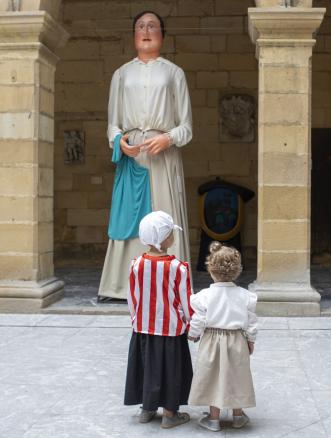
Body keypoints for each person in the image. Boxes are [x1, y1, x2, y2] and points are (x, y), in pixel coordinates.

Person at [98, 10, 193, 301]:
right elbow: (113, 123)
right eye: (141, 26)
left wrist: (167, 138)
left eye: (153, 26)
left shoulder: (174, 73)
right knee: (129, 217)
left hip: (163, 156)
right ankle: (121, 286)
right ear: (133, 36)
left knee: (164, 215)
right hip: (133, 155)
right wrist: (118, 140)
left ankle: (169, 285)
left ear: (162, 36)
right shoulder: (121, 74)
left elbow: (187, 127)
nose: (146, 30)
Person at [123, 211, 194, 429]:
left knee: (147, 367)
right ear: (165, 239)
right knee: (171, 370)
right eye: (171, 233)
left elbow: (132, 296)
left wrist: (135, 319)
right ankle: (170, 414)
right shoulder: (178, 268)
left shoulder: (136, 265)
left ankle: (147, 408)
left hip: (143, 329)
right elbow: (187, 299)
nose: (173, 236)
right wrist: (191, 324)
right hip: (171, 331)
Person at [187, 242, 258, 432]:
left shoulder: (204, 296)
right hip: (237, 340)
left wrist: (193, 335)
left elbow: (199, 319)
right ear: (237, 271)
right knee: (237, 376)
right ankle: (237, 416)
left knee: (212, 377)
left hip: (211, 341)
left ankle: (214, 419)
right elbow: (251, 321)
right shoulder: (245, 296)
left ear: (211, 270)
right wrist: (250, 340)